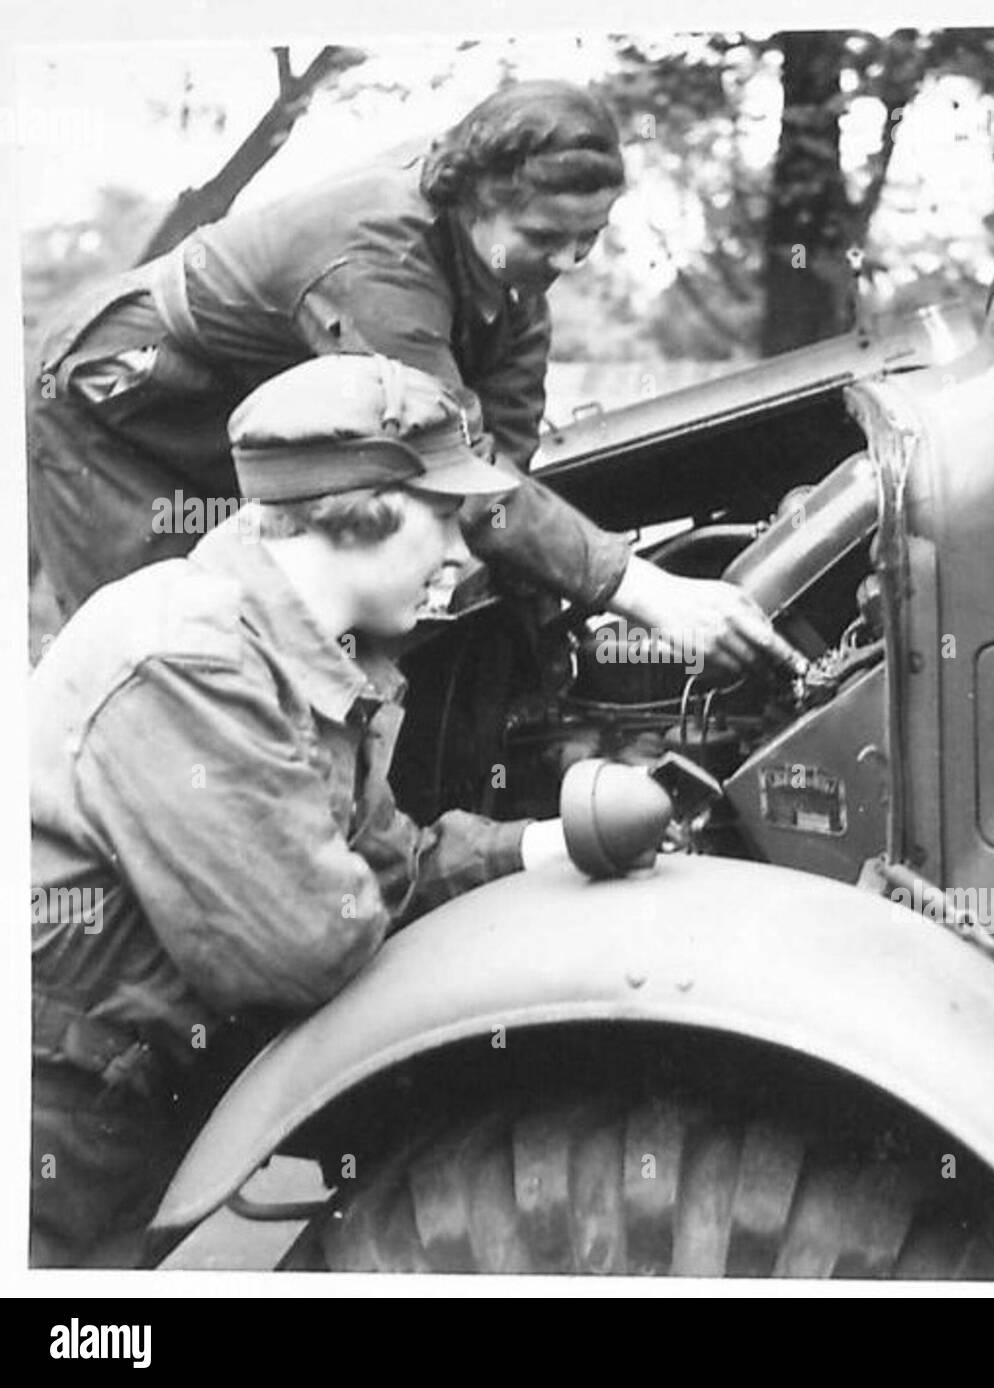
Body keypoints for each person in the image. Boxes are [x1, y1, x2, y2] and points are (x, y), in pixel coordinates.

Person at [29, 355, 585, 1268]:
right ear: (361, 507)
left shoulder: (298, 652)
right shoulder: (191, 659)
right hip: (56, 1119)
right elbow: (306, 945)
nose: (458, 552)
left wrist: (542, 847)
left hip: (114, 1098)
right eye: (444, 517)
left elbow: (387, 867)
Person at [27, 79, 792, 676]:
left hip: (249, 422)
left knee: (295, 625)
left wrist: (543, 640)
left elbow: (501, 478)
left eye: (587, 240)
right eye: (544, 237)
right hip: (121, 405)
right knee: (159, 648)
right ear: (471, 204)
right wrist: (646, 591)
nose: (567, 263)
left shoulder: (514, 284)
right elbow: (447, 468)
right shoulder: (380, 262)